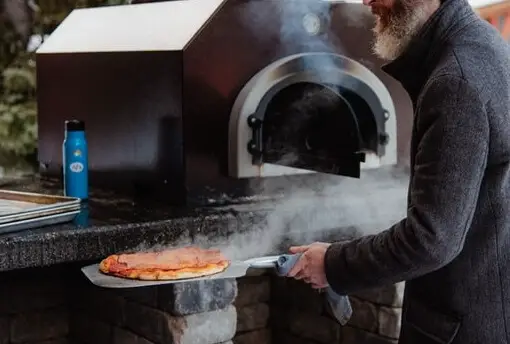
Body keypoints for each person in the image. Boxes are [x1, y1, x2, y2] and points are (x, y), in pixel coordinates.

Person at [287, 0, 510, 342]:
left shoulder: (456, 81)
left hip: (465, 327)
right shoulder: (482, 44)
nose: (367, 2)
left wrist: (332, 264)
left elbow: (431, 239)